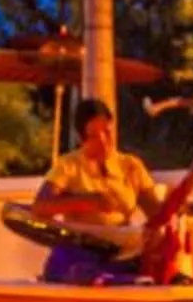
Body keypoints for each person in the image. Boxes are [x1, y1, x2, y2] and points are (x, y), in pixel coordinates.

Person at [31, 98, 160, 285]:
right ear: (81, 138)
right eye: (93, 136)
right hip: (79, 249)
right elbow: (40, 206)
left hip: (119, 252)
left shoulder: (131, 166)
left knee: (150, 272)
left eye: (107, 132)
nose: (103, 141)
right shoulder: (69, 165)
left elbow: (157, 213)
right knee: (77, 268)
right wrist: (89, 201)